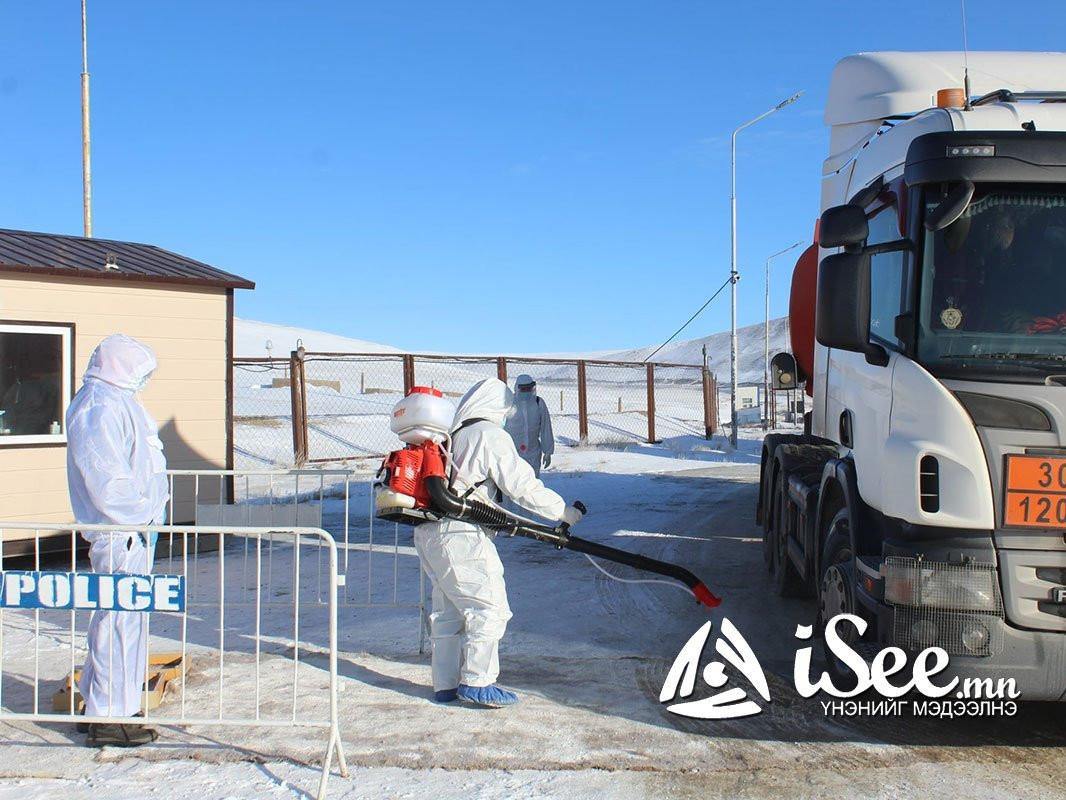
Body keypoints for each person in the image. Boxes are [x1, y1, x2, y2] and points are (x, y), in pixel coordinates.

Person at [413, 378, 582, 708]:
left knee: (448, 613)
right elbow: (520, 482)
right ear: (496, 407)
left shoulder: (455, 435)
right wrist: (561, 510)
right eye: (506, 409)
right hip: (461, 535)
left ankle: (444, 684)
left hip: (432, 533)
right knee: (489, 608)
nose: (507, 416)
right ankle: (478, 681)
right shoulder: (489, 435)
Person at [66, 334, 169, 747]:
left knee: (122, 617)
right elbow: (106, 477)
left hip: (134, 531)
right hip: (122, 531)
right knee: (119, 620)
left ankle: (102, 702)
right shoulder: (99, 405)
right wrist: (140, 514)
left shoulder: (115, 401)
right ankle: (111, 713)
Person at [503, 374, 555, 476]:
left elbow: (546, 428)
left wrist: (548, 451)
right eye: (523, 389)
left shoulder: (538, 403)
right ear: (517, 388)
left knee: (532, 485)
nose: (526, 391)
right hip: (513, 454)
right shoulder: (509, 404)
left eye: (529, 388)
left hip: (533, 453)